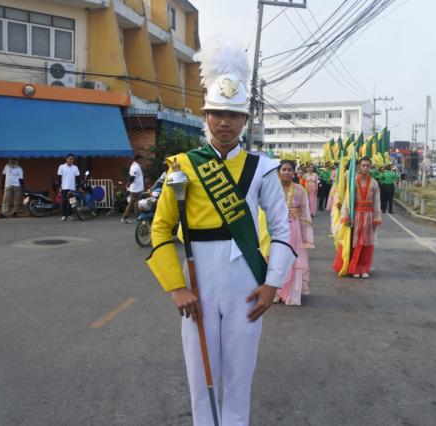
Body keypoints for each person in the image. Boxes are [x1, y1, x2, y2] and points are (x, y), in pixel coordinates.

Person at [147, 39, 295, 426]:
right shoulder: (182, 166)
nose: (224, 122)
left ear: (244, 120)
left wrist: (273, 284)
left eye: (232, 114)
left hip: (245, 282)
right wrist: (175, 286)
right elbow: (160, 227)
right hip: (198, 282)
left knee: (239, 377)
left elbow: (282, 228)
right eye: (217, 113)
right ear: (205, 115)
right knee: (201, 378)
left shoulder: (263, 168)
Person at [333, 156, 382, 278]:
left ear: (370, 167)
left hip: (369, 216)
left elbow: (377, 202)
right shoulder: (353, 181)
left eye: (368, 166)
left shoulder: (374, 183)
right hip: (356, 216)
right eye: (363, 165)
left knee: (366, 243)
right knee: (355, 243)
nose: (365, 168)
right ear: (359, 166)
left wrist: (377, 217)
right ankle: (354, 268)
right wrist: (345, 215)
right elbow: (347, 199)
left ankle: (363, 268)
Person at [274, 160, 314, 306]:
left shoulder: (299, 189)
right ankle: (276, 292)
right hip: (276, 228)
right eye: (283, 169)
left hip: (294, 228)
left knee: (292, 258)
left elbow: (305, 212)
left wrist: (306, 234)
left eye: (289, 170)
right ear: (279, 172)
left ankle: (291, 293)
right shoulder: (272, 188)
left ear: (294, 173)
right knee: (277, 259)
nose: (286, 172)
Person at [121, 154, 144, 224]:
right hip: (136, 189)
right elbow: (132, 177)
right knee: (132, 203)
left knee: (136, 203)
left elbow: (130, 176)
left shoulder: (136, 166)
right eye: (141, 159)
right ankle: (125, 217)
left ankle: (138, 218)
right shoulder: (135, 167)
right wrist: (128, 184)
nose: (142, 160)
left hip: (137, 188)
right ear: (138, 159)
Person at [57, 154, 80, 221]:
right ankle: (64, 215)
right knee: (64, 201)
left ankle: (70, 215)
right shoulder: (61, 167)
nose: (71, 160)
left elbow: (78, 178)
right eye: (70, 159)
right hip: (64, 187)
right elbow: (59, 178)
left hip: (72, 188)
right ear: (66, 159)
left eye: (72, 159)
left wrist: (80, 186)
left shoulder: (75, 167)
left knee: (71, 202)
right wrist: (59, 186)